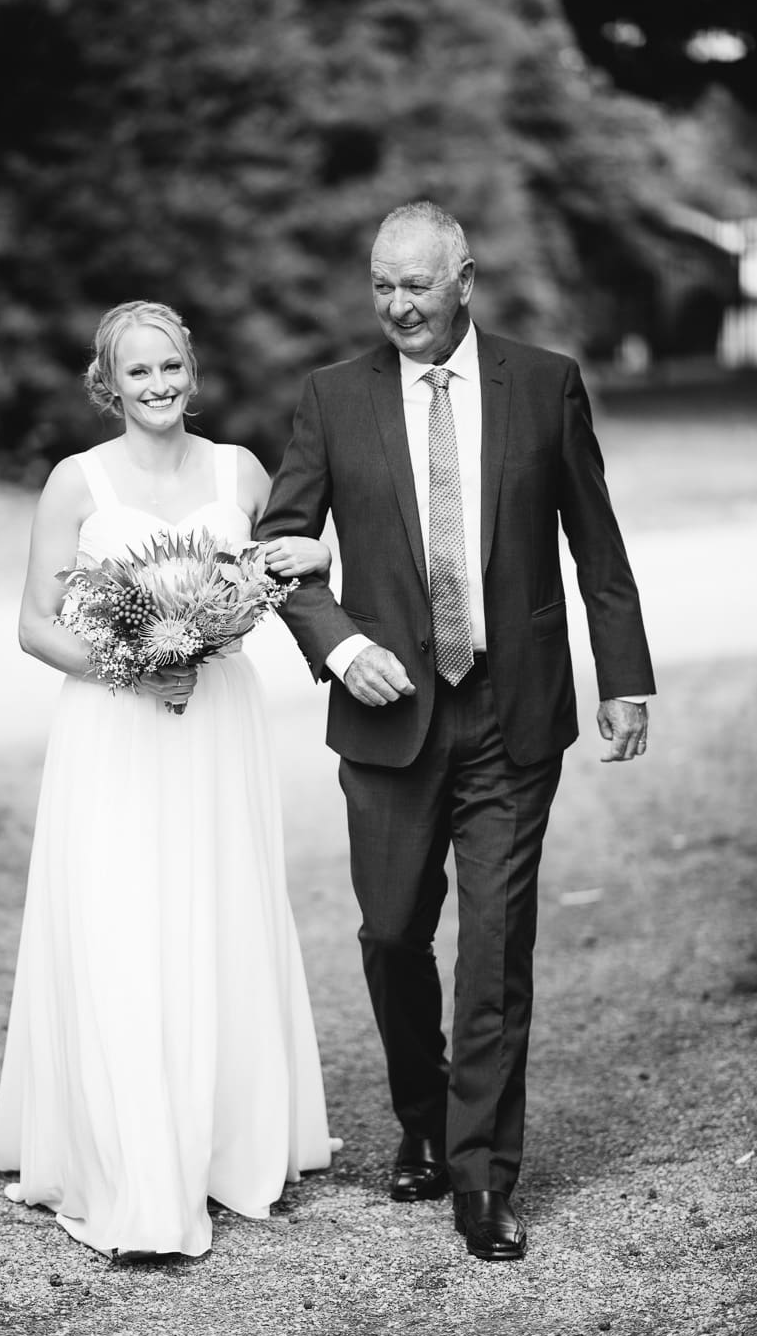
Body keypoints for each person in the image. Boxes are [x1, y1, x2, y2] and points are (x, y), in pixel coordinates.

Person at [257, 201, 654, 1262]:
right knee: (391, 934)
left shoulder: (542, 383)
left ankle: (482, 1177)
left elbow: (595, 543)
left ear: (463, 280)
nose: (396, 305)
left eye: (415, 286)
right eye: (380, 285)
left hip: (510, 711)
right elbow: (280, 548)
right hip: (386, 716)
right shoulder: (331, 400)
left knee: (492, 946)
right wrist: (340, 646)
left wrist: (623, 676)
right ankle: (421, 1122)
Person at [0, 300, 335, 1259]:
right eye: (138, 373)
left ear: (191, 370)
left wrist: (298, 567)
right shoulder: (74, 484)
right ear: (108, 384)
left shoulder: (239, 471)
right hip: (113, 729)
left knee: (218, 908)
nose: (158, 385)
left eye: (170, 367)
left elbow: (293, 561)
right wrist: (128, 665)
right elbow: (34, 623)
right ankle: (133, 1154)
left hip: (218, 722)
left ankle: (224, 1143)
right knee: (122, 918)